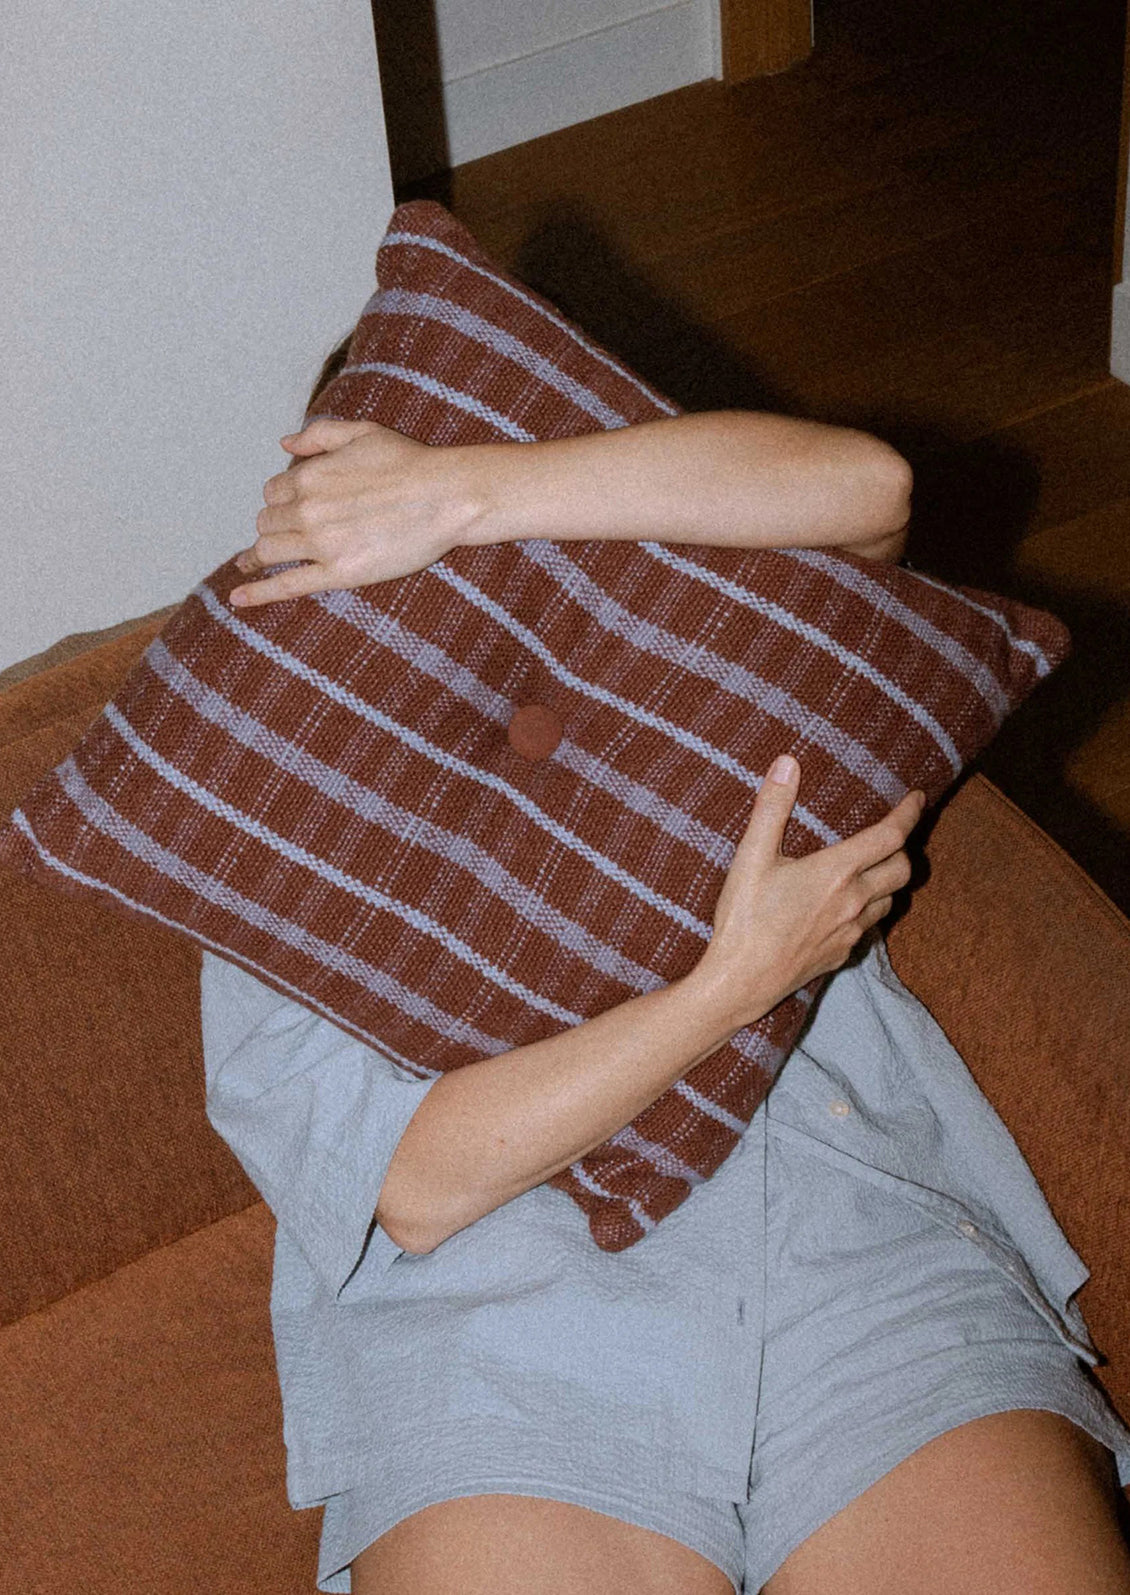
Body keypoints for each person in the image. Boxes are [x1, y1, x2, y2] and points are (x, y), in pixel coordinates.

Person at [204, 377, 1130, 1594]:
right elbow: (418, 1185)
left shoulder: (682, 616)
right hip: (500, 1321)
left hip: (849, 1242)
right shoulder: (264, 777)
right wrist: (730, 984)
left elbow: (867, 490)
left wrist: (468, 490)